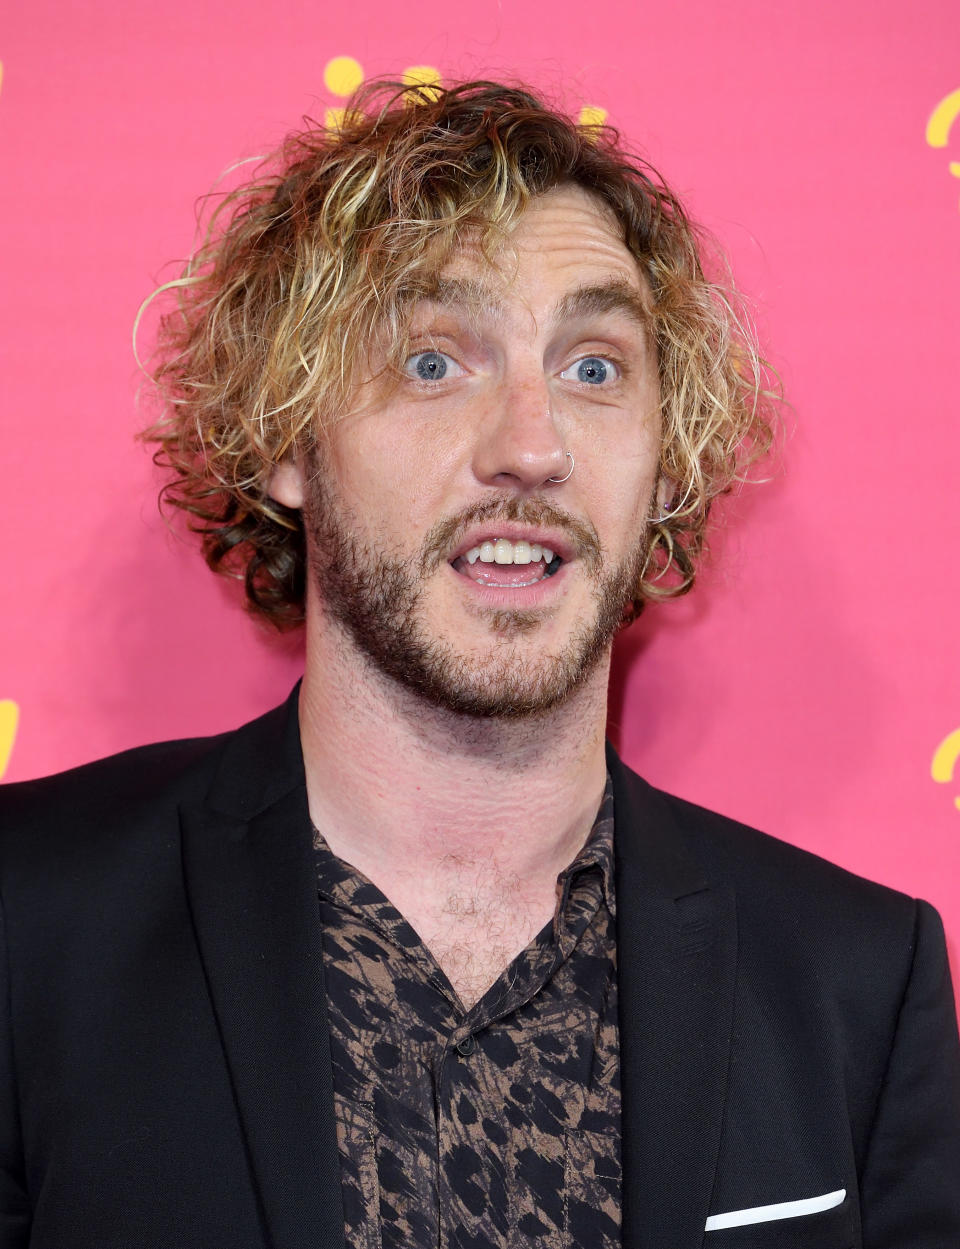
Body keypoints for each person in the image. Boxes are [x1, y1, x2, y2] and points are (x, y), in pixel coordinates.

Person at [1, 80, 958, 1249]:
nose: (531, 445)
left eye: (594, 368)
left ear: (666, 465)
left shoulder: (857, 979)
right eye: (433, 362)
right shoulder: (27, 920)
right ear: (288, 439)